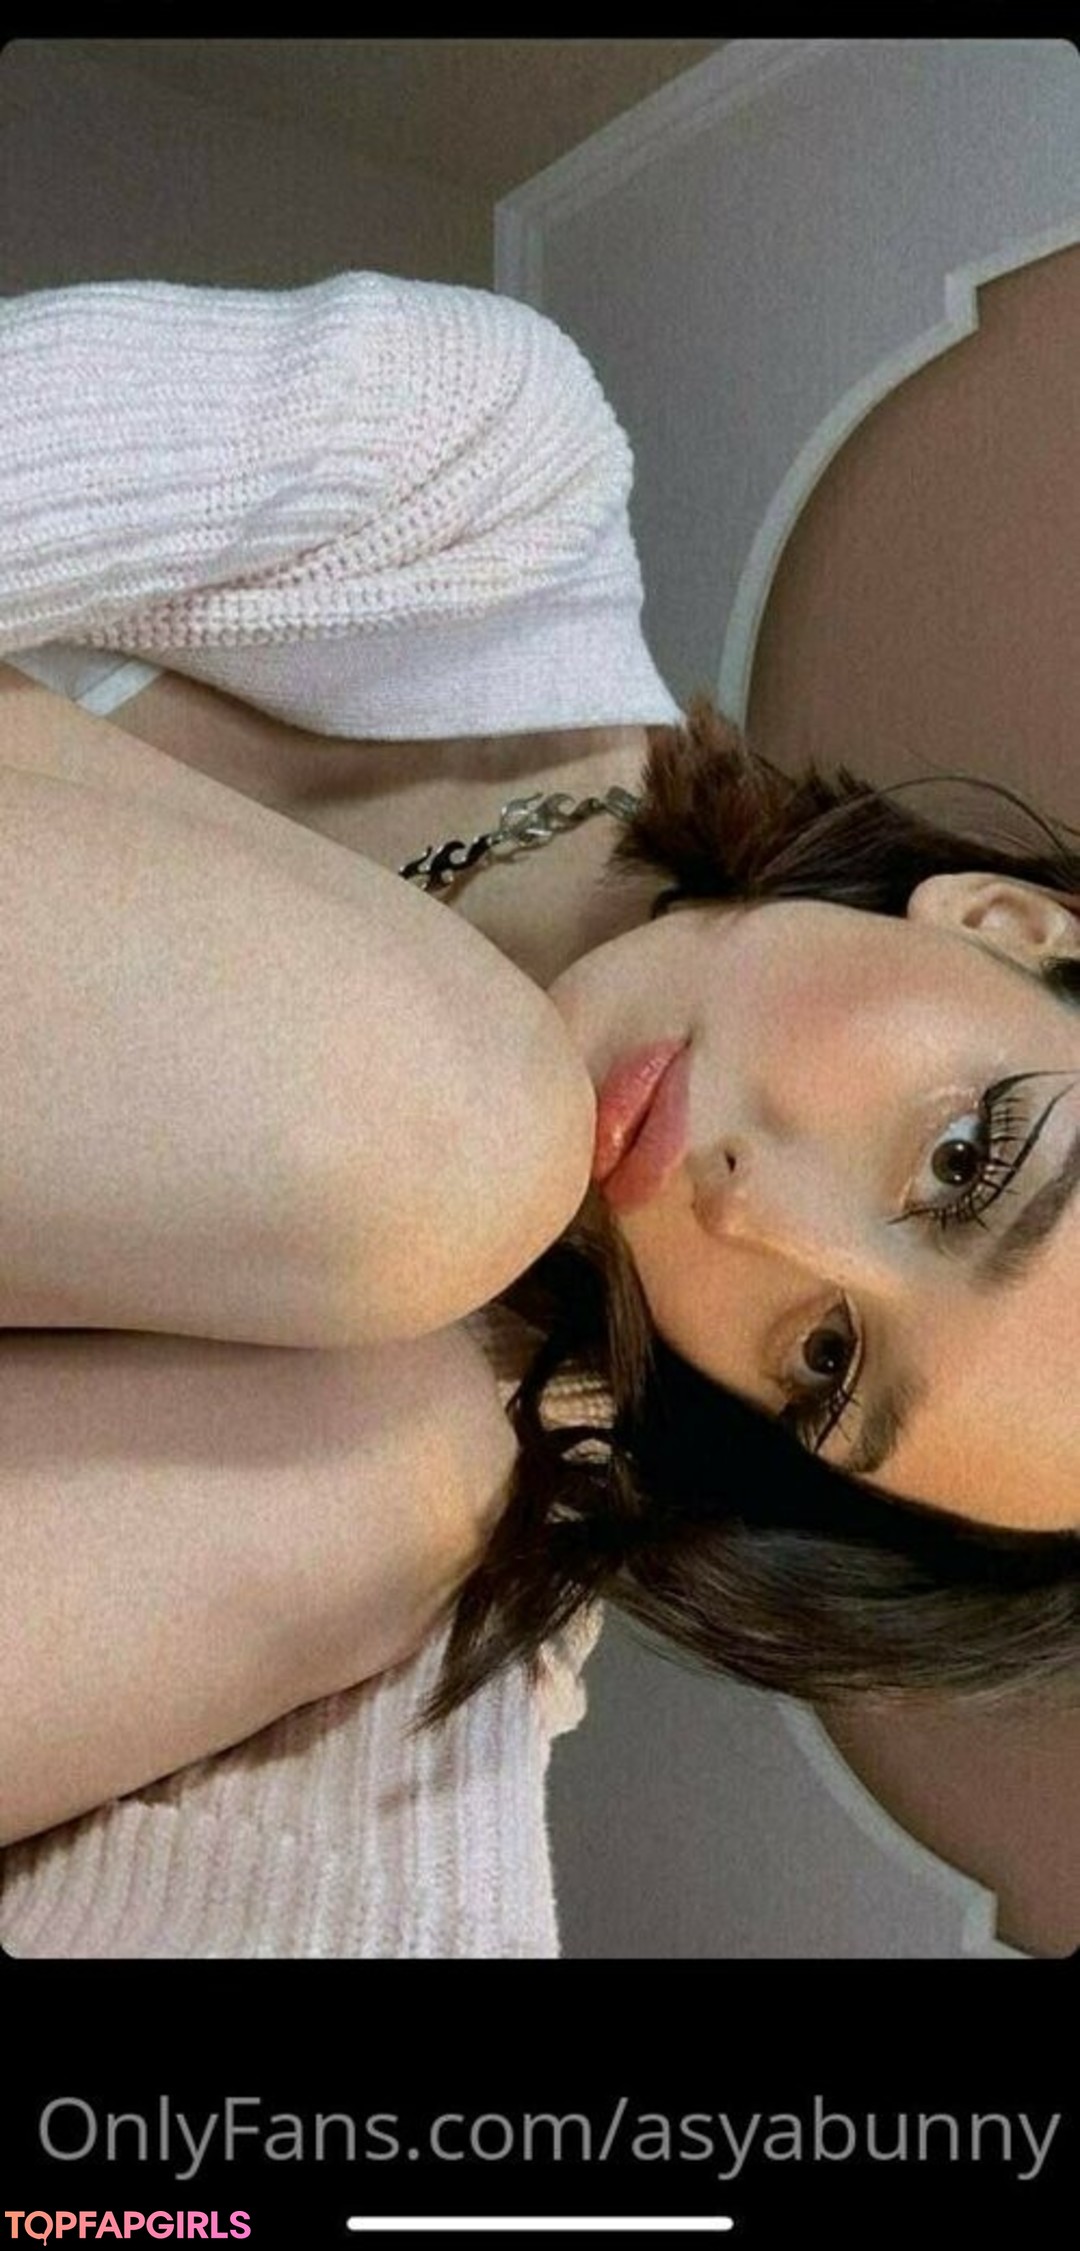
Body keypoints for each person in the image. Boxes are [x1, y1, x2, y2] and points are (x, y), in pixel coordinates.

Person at [2, 268, 1078, 1866]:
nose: (754, 1222)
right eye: (964, 1160)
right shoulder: (487, 479)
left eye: (823, 1362)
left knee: (411, 1469)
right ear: (1007, 923)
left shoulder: (395, 1468)